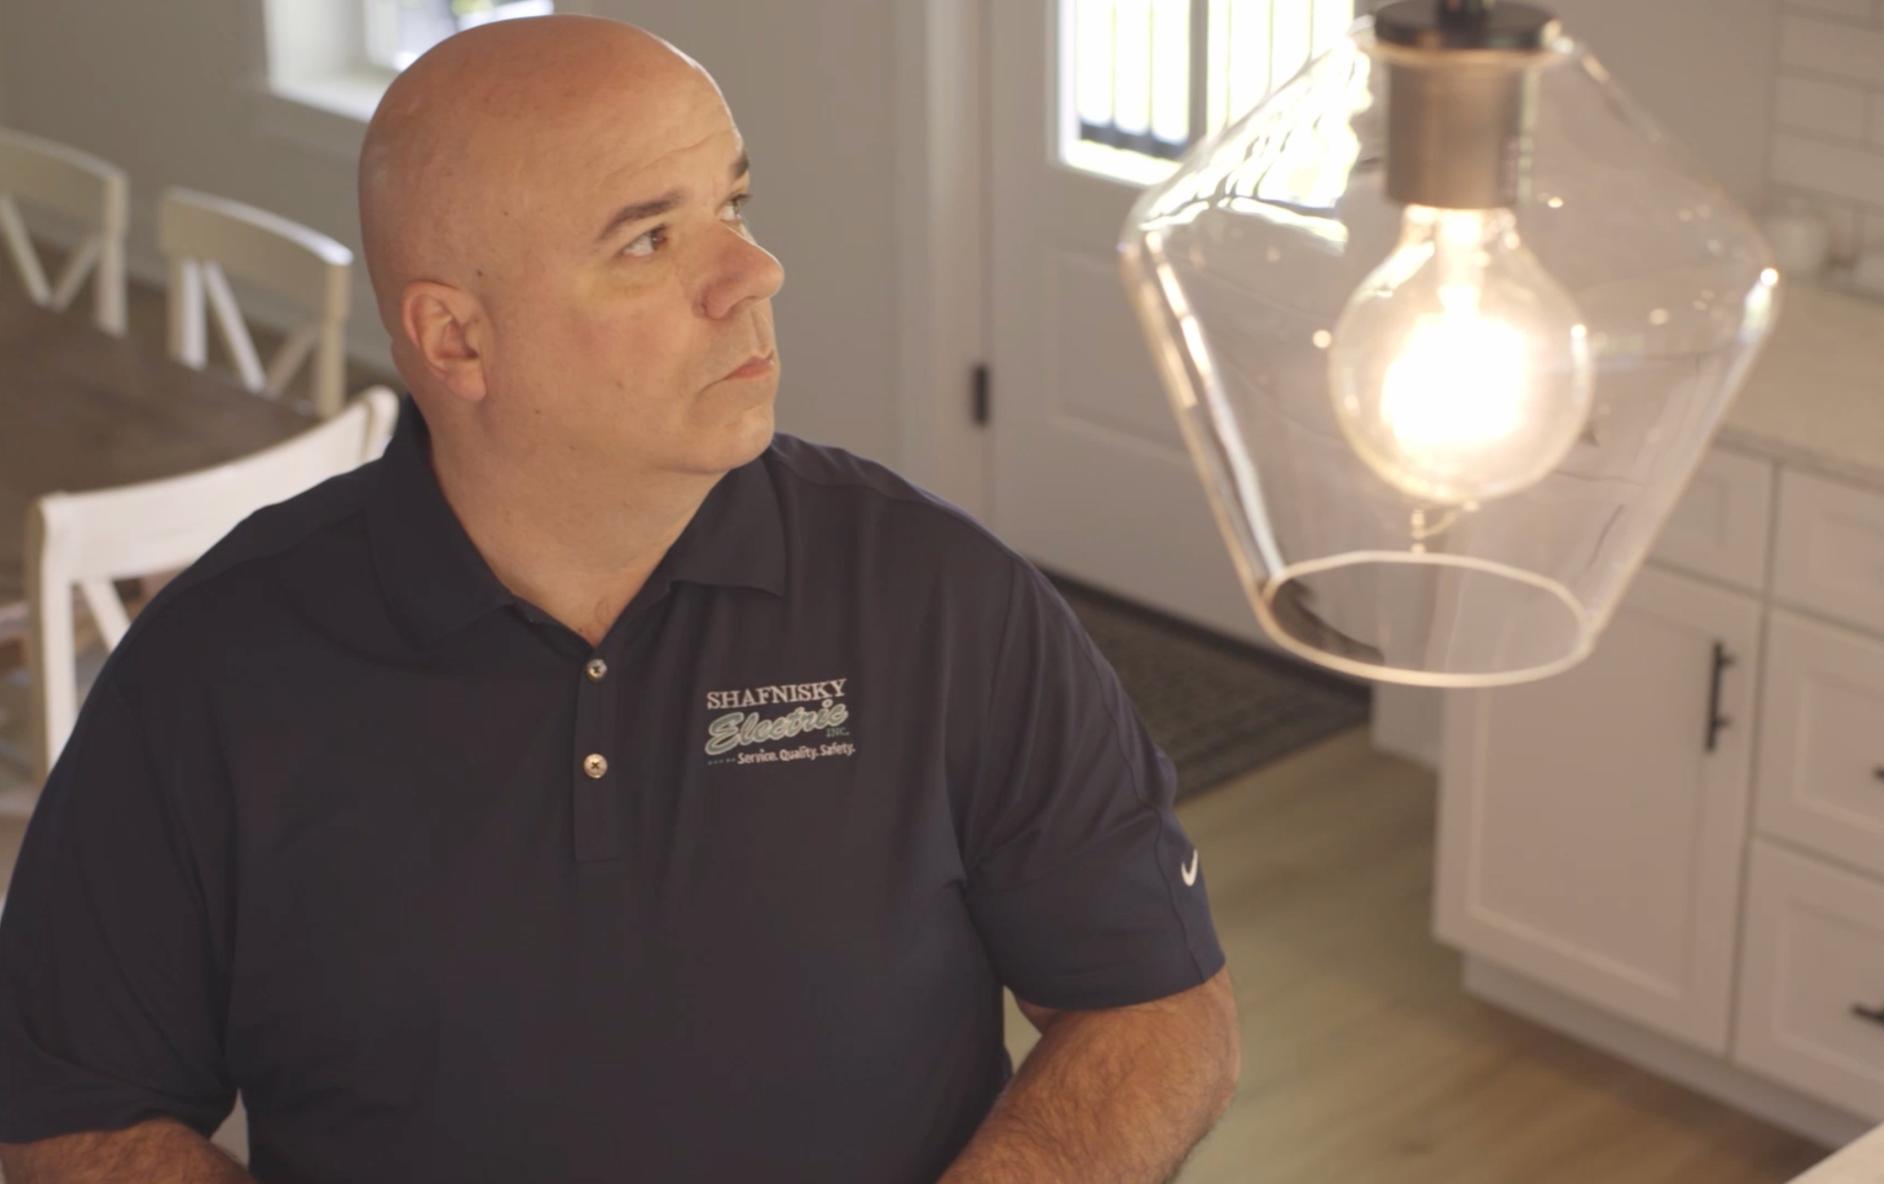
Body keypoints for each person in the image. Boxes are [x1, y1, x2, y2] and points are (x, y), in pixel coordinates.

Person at [0, 14, 1238, 1183]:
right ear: (458, 340)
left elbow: (1159, 1000)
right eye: (649, 239)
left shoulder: (941, 597)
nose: (754, 269)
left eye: (734, 203)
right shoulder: (216, 668)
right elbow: (72, 1111)